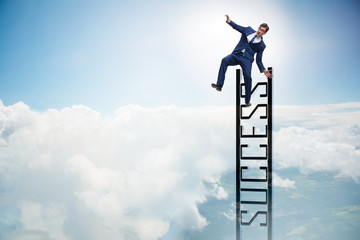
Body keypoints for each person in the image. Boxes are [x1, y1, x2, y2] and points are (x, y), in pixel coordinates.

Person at [212, 15, 272, 106]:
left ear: (265, 33)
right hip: (236, 55)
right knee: (224, 60)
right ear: (258, 28)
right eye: (260, 28)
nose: (260, 31)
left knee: (247, 77)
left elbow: (258, 60)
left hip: (247, 60)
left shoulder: (262, 45)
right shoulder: (248, 30)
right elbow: (237, 27)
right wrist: (229, 21)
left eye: (262, 30)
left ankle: (247, 101)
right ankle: (219, 85)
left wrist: (264, 70)